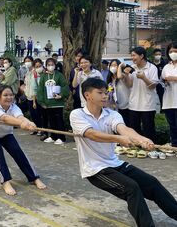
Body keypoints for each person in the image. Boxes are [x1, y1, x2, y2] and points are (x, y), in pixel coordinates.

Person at [70, 77, 177, 227]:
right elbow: (92, 134)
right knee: (131, 188)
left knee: (152, 183)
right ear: (88, 95)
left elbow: (124, 129)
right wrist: (119, 139)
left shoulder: (112, 114)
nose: (105, 96)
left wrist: (142, 139)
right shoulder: (77, 114)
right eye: (100, 93)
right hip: (95, 169)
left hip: (115, 163)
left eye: (106, 93)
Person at [0, 85, 47, 196]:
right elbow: (5, 118)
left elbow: (20, 117)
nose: (9, 97)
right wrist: (21, 123)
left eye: (11, 95)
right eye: (5, 95)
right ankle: (5, 181)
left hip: (5, 133)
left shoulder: (14, 107)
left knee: (17, 151)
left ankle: (34, 178)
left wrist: (29, 123)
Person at [127, 47, 159, 144]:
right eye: (131, 56)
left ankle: (150, 147)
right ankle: (136, 147)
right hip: (134, 104)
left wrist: (144, 78)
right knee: (134, 128)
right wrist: (125, 76)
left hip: (147, 105)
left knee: (148, 129)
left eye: (134, 55)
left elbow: (153, 86)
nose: (132, 58)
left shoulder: (152, 68)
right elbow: (129, 85)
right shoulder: (133, 68)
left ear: (141, 56)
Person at [37, 58, 70, 144]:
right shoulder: (44, 76)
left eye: (52, 64)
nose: (50, 66)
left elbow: (65, 86)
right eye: (48, 65)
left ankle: (61, 137)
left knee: (59, 120)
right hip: (48, 103)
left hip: (58, 103)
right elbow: (40, 89)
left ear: (55, 65)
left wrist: (61, 95)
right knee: (51, 120)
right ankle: (53, 136)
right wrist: (41, 101)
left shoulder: (59, 75)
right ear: (46, 66)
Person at [106, 59, 132, 126]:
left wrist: (120, 66)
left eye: (115, 65)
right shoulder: (110, 78)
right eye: (111, 65)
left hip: (125, 105)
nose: (113, 67)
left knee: (127, 124)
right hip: (115, 106)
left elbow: (119, 76)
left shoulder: (123, 75)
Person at [161, 42, 177, 148]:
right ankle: (175, 145)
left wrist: (174, 78)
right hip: (169, 100)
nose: (173, 53)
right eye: (171, 51)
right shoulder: (166, 66)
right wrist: (166, 81)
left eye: (175, 51)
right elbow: (162, 81)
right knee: (173, 126)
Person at [24, 57, 42, 136]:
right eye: (25, 61)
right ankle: (35, 128)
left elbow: (35, 86)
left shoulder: (36, 72)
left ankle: (40, 129)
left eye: (28, 61)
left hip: (35, 96)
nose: (27, 63)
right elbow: (26, 84)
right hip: (29, 96)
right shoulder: (28, 73)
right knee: (33, 114)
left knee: (38, 113)